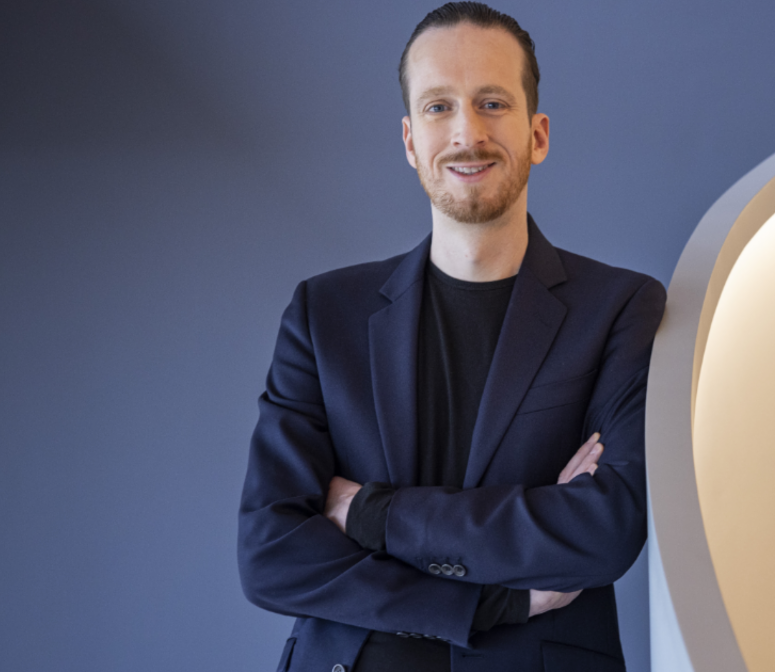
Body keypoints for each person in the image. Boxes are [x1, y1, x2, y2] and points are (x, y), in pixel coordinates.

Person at [236, 3, 665, 671]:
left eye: (492, 102)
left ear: (538, 133)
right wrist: (495, 601)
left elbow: (604, 532)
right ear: (410, 141)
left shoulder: (619, 308)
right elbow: (270, 553)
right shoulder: (325, 313)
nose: (467, 132)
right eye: (439, 107)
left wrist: (370, 516)